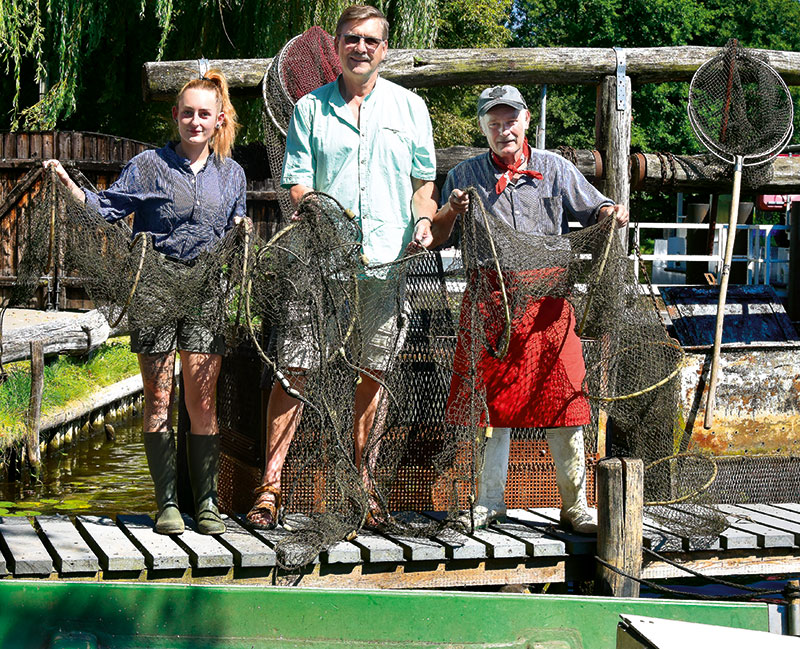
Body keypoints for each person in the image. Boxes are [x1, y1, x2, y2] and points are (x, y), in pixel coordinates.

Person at [246, 4, 438, 530]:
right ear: (336, 46)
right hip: (318, 267)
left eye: (371, 40)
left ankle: (364, 488)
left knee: (372, 373)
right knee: (294, 370)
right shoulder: (309, 109)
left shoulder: (411, 108)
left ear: (384, 48)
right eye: (351, 39)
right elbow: (296, 182)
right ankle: (270, 487)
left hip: (386, 265)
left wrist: (423, 221)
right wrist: (314, 208)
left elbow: (424, 185)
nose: (361, 48)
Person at [413, 85, 628, 533]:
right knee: (490, 407)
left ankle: (576, 507)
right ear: (483, 128)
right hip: (490, 305)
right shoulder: (465, 173)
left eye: (510, 120)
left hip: (549, 304)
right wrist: (451, 209)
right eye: (493, 122)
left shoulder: (556, 168)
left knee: (567, 400)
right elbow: (439, 233)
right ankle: (489, 502)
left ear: (526, 121)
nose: (502, 128)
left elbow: (596, 207)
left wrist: (611, 212)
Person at [45, 70, 247, 535]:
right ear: (176, 117)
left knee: (203, 402)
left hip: (205, 294)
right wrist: (65, 184)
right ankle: (168, 505)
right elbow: (104, 208)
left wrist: (241, 233)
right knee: (158, 398)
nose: (196, 122)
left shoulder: (232, 174)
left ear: (218, 120)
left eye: (205, 115)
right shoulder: (148, 165)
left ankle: (209, 503)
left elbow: (235, 227)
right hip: (154, 290)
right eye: (188, 114)